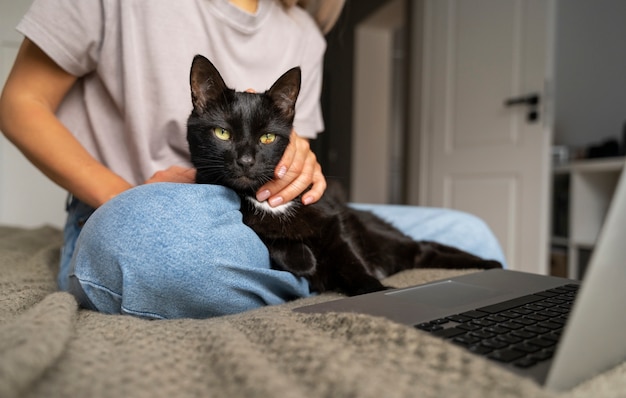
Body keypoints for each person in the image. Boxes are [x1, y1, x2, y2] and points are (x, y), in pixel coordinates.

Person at [0, 0, 505, 319]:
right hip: (149, 206)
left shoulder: (303, 31)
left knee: (472, 235)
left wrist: (301, 156)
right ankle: (321, 273)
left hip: (269, 214)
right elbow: (19, 102)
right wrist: (120, 195)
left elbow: (286, 146)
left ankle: (300, 270)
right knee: (146, 243)